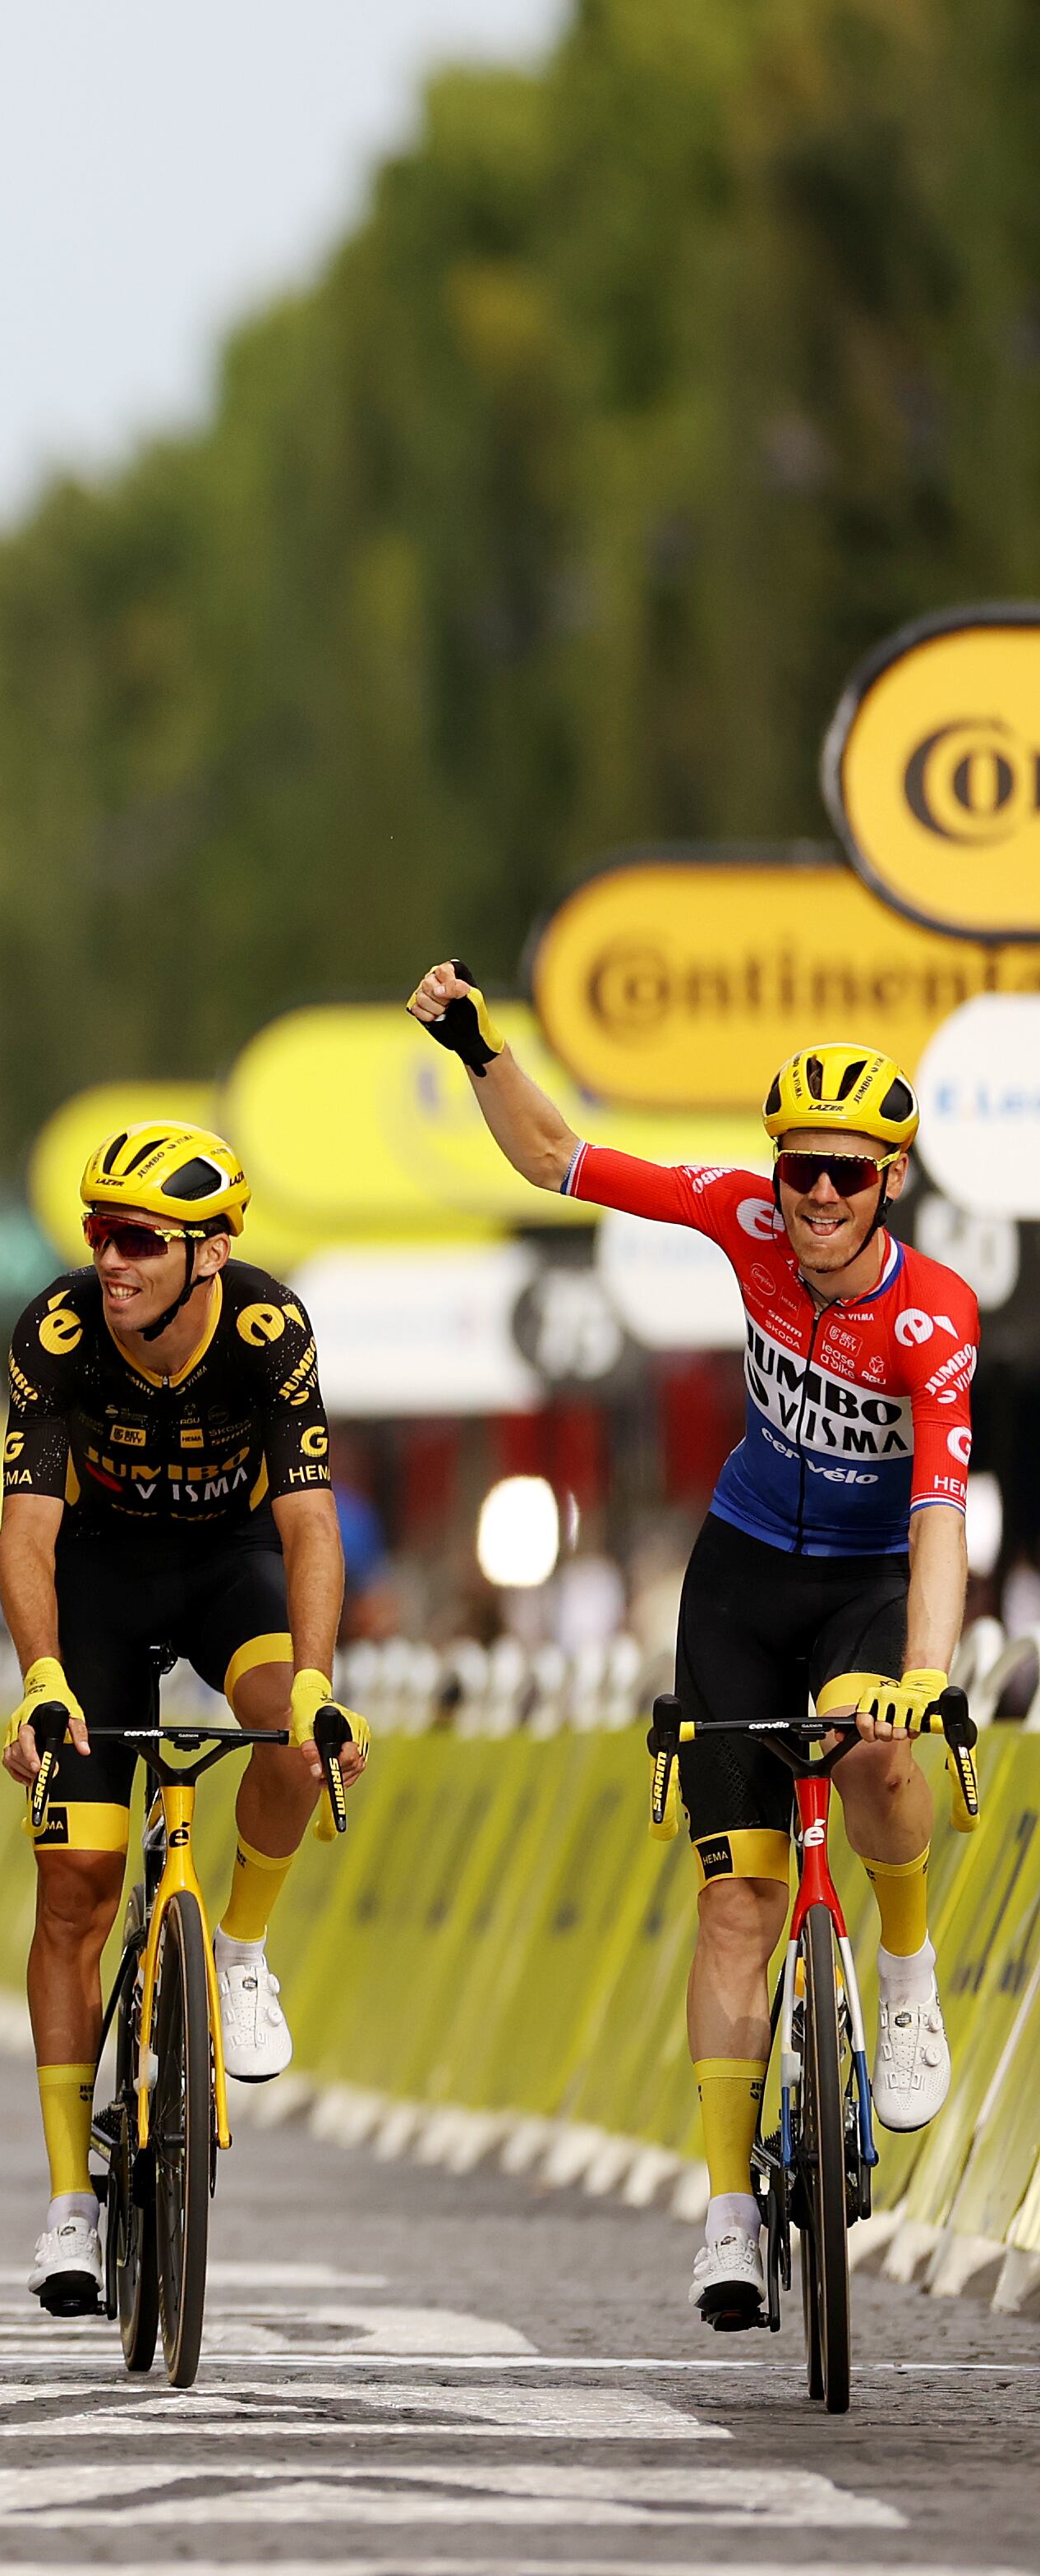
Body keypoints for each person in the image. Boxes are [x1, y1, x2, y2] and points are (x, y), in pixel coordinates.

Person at [409, 969, 975, 2329]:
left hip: (864, 1587)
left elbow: (942, 1512)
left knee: (883, 1747)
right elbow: (557, 1156)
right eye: (798, 1170)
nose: (815, 1196)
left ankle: (906, 1979)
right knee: (736, 1899)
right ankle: (727, 2209)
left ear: (888, 1176)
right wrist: (480, 1046)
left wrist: (929, 1667)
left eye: (843, 1172)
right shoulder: (742, 1220)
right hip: (737, 1579)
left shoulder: (935, 1314)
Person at [0, 1121, 360, 2318]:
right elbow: (26, 1532)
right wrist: (42, 1677)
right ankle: (66, 2200)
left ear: (208, 1253)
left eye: (141, 1238)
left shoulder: (268, 1328)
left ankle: (240, 1950)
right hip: (98, 1579)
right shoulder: (56, 1334)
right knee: (75, 1884)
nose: (112, 1258)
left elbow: (310, 1524)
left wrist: (315, 1681)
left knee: (295, 1741)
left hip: (227, 1568)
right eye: (101, 1233)